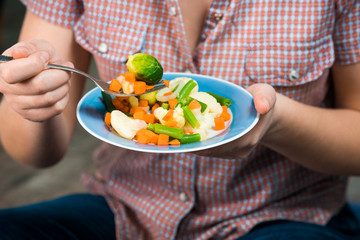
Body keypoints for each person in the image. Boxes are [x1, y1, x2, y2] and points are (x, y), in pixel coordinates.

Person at [0, 0, 359, 239]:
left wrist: (276, 121)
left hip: (283, 215)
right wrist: (35, 101)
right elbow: (34, 153)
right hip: (124, 209)